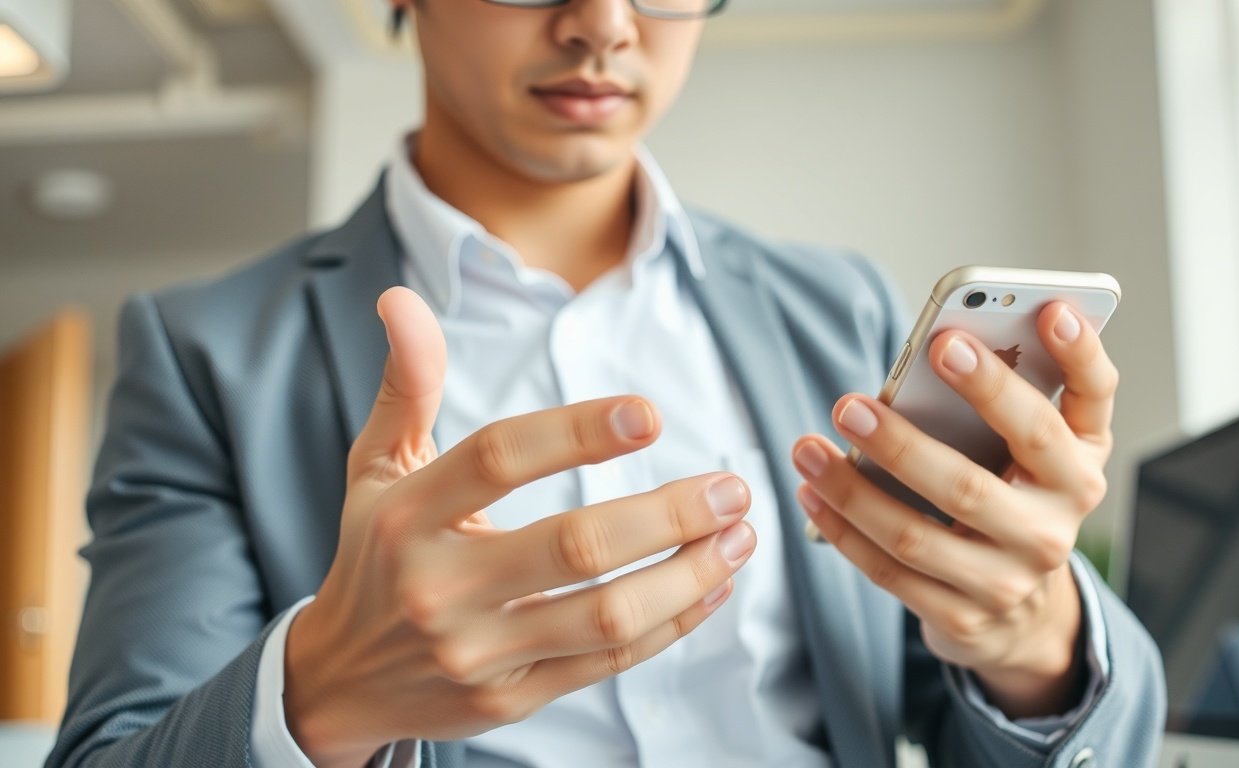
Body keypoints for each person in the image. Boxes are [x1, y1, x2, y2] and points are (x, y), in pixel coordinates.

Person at [46, 0, 1165, 766]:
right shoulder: (206, 352)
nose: (604, 21)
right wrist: (321, 691)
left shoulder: (839, 312)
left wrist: (1033, 642)